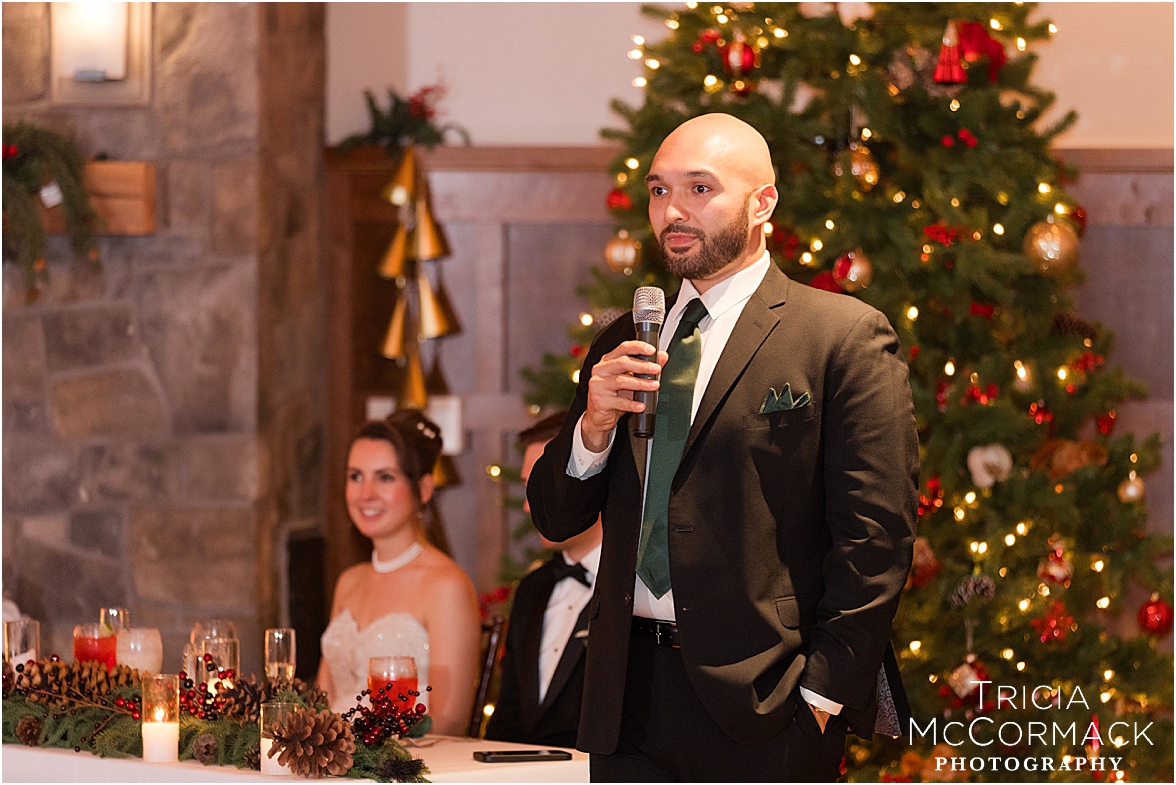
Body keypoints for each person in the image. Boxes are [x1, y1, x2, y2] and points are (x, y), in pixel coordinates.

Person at [527, 113, 918, 782]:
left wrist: (822, 696)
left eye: (699, 188)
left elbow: (875, 541)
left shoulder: (840, 336)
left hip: (768, 707)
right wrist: (592, 426)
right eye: (659, 190)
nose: (672, 210)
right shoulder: (625, 340)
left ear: (762, 203)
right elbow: (555, 517)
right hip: (624, 702)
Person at [317, 410, 481, 736]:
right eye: (356, 476)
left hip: (407, 760)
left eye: (385, 477)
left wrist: (369, 748)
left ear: (424, 488)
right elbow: (323, 700)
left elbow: (449, 721)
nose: (366, 494)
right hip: (331, 756)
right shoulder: (348, 581)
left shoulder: (447, 585)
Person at [485, 411, 603, 748]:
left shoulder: (635, 591)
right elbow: (506, 718)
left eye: (545, 487)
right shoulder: (532, 589)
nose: (529, 507)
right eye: (528, 488)